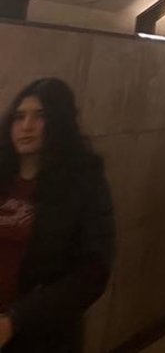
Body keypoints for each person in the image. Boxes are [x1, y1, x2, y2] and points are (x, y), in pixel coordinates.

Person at [0, 78, 114, 353]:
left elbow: (92, 272)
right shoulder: (4, 178)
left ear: (59, 123)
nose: (26, 126)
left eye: (39, 116)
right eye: (19, 116)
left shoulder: (82, 184)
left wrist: (17, 319)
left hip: (41, 336)